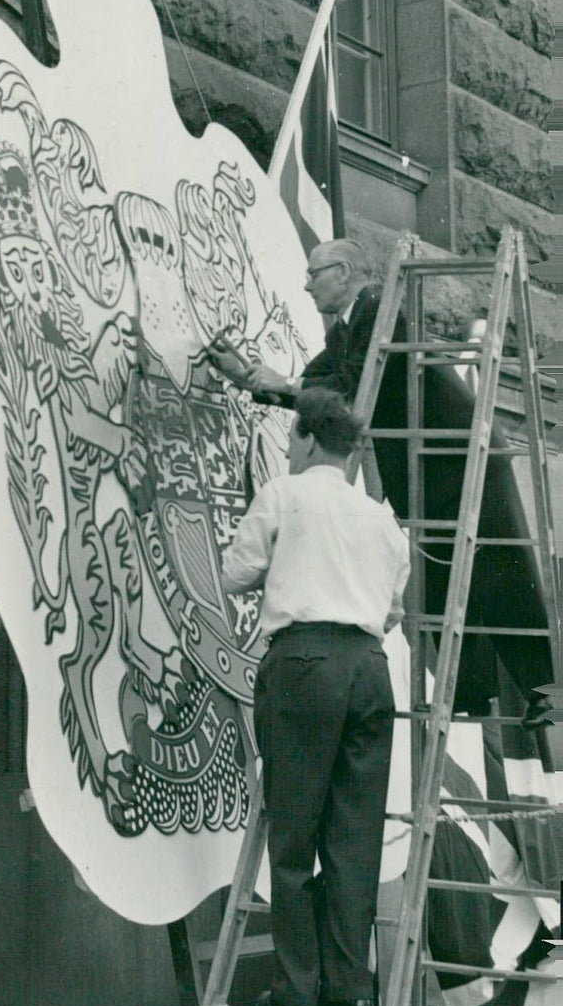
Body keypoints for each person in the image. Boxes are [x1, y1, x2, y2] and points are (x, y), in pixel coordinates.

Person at [232, 238, 553, 716]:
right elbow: (319, 390)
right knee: (447, 584)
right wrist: (254, 379)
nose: (306, 285)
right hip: (433, 467)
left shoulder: (379, 313)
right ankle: (470, 693)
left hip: (465, 455)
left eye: (314, 273)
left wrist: (284, 383)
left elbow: (353, 385)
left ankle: (549, 693)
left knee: (502, 573)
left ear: (343, 272)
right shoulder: (347, 329)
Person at [221, 387, 410, 1006]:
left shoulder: (284, 493)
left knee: (295, 834)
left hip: (304, 665)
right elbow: (391, 612)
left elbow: (235, 575)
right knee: (355, 838)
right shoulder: (382, 519)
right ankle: (351, 992)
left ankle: (299, 988)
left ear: (304, 438)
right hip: (368, 671)